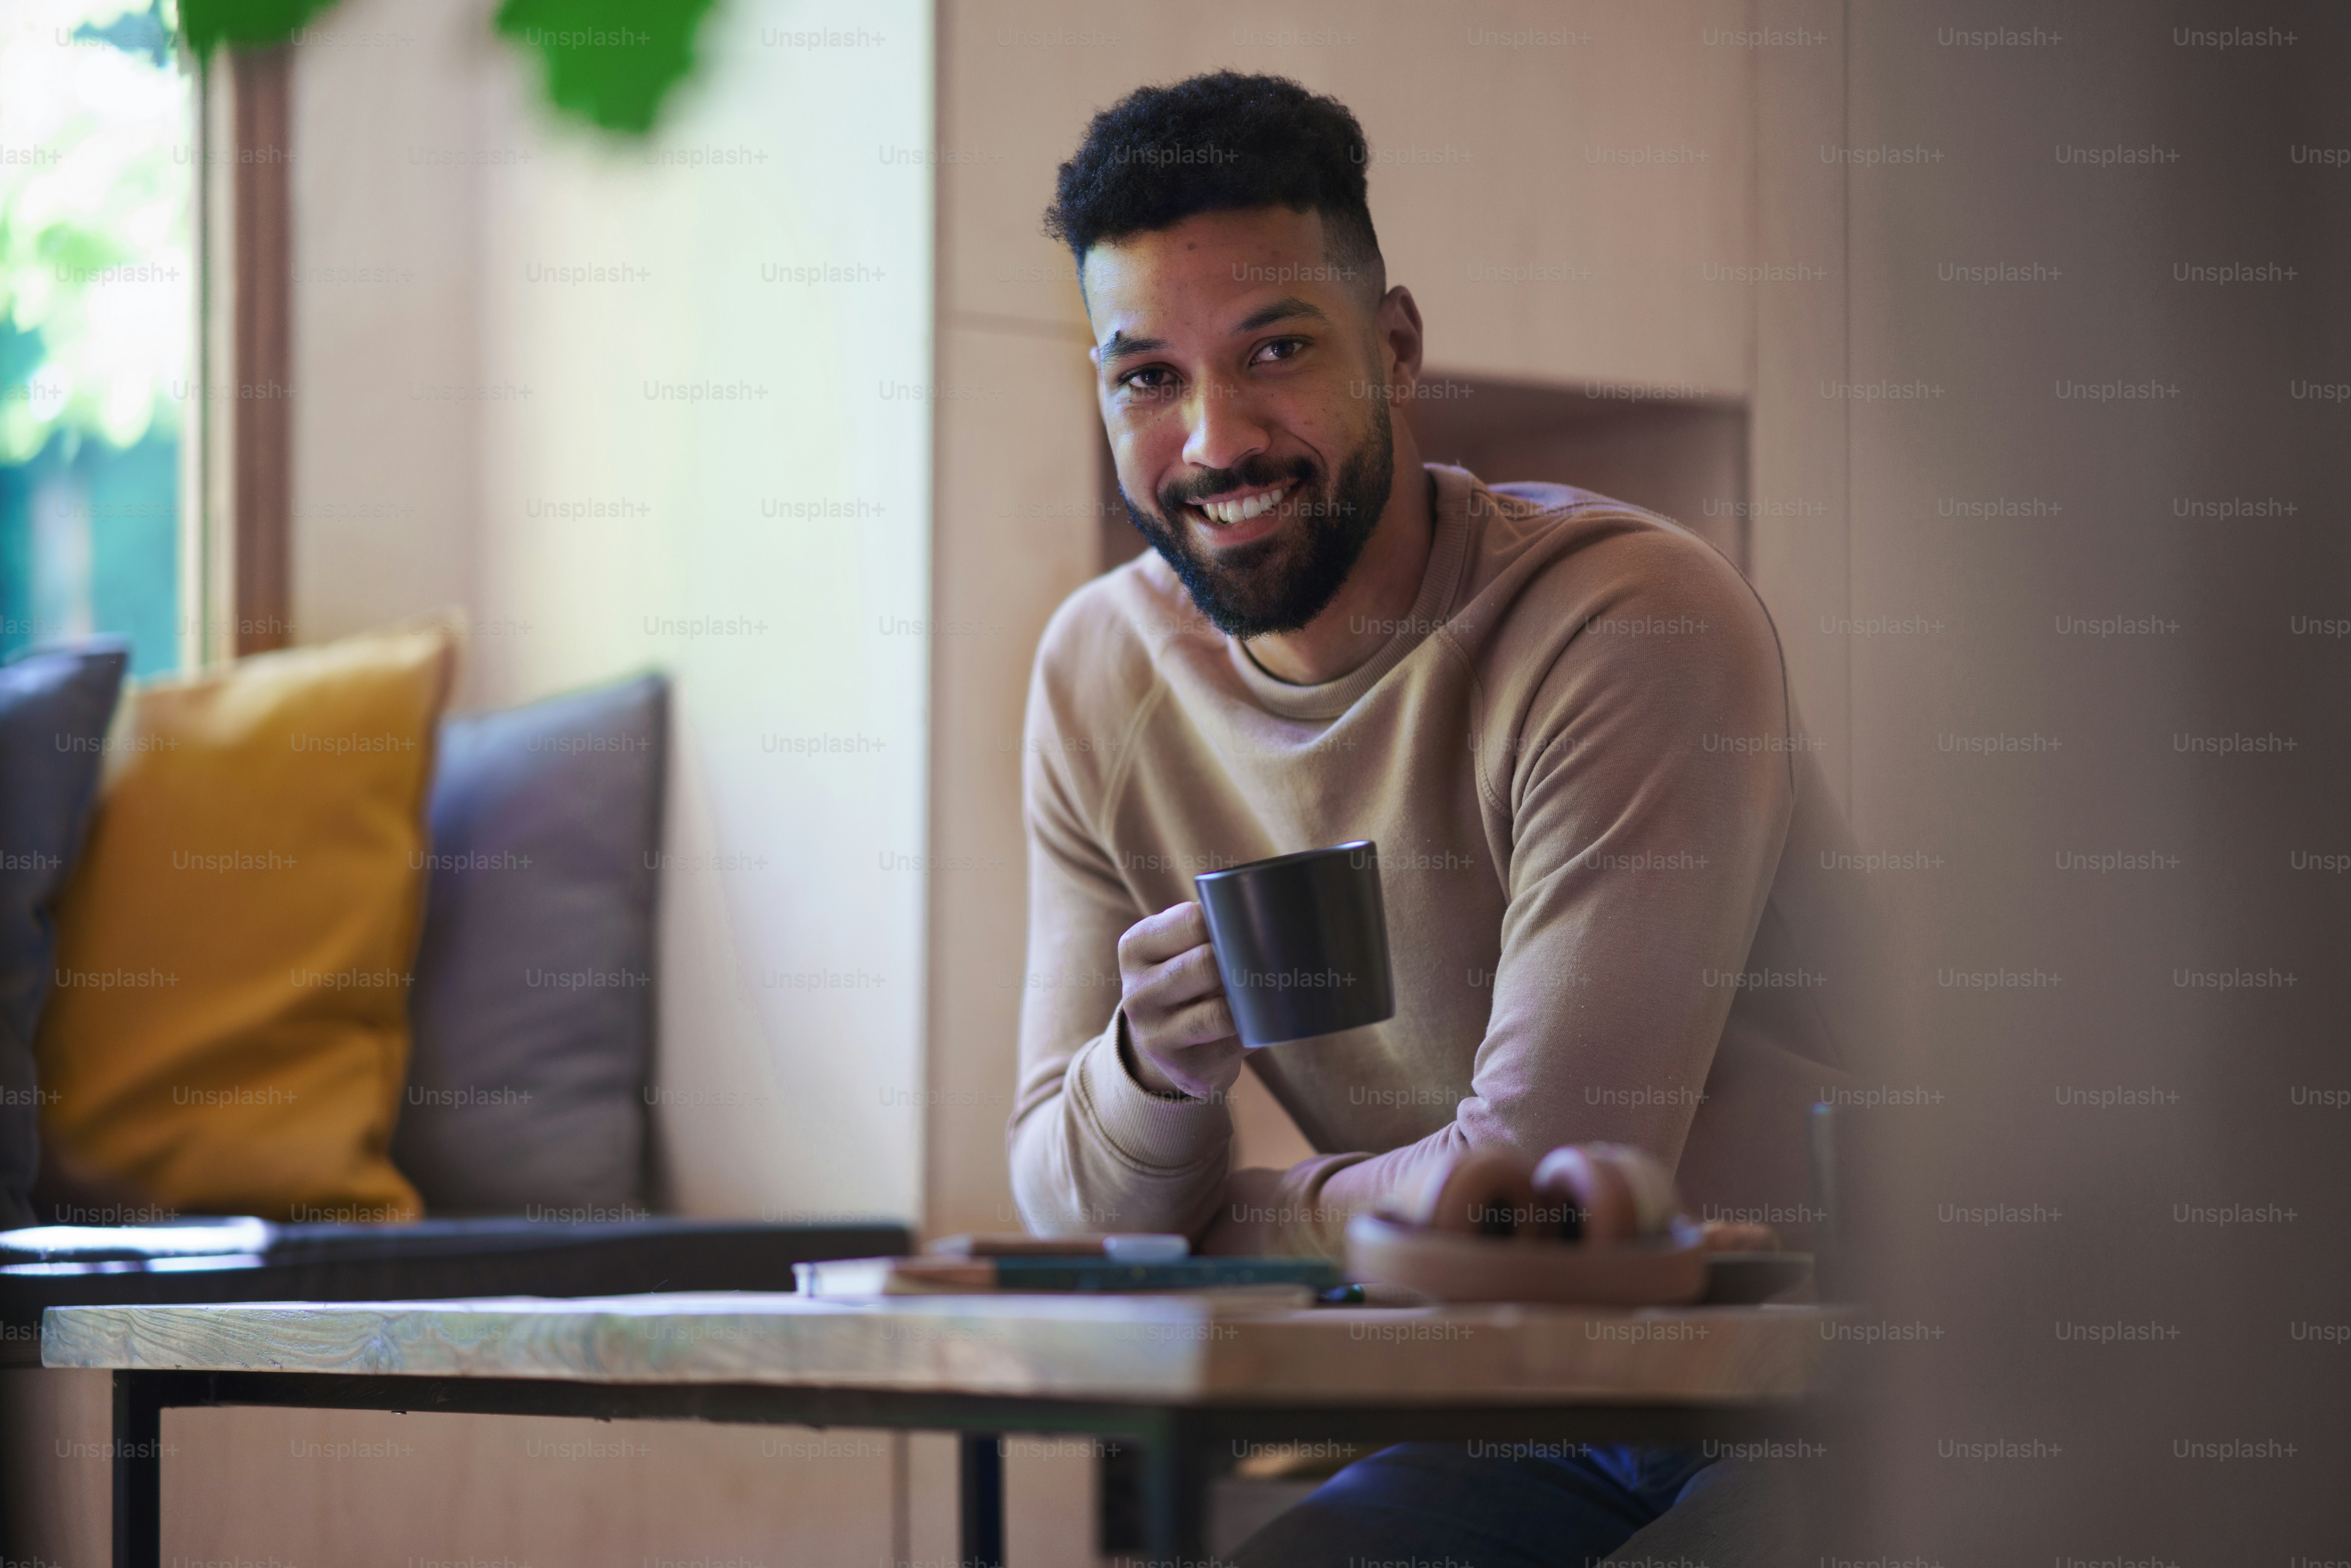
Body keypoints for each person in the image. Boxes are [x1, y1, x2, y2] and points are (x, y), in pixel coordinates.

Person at [1007, 71, 1867, 1564]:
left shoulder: (1622, 619)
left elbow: (1539, 1196)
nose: (1212, 441)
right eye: (1146, 377)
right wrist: (1149, 1072)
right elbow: (1059, 1192)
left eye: (1274, 351)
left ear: (1393, 351)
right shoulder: (1097, 670)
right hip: (1519, 1406)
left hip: (1843, 1382)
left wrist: (1218, 1222)